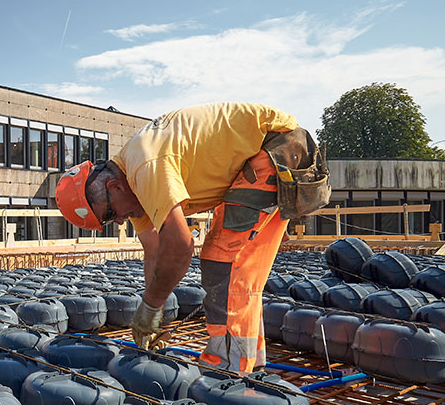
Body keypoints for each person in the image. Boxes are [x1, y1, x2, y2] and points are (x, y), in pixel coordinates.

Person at [56, 101, 320, 373]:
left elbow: (180, 246)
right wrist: (154, 314)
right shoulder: (129, 188)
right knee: (243, 276)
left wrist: (151, 305)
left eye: (111, 215)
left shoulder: (144, 167)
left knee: (222, 262)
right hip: (272, 153)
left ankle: (225, 372)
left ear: (113, 187)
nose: (120, 221)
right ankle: (249, 365)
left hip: (276, 149)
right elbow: (155, 251)